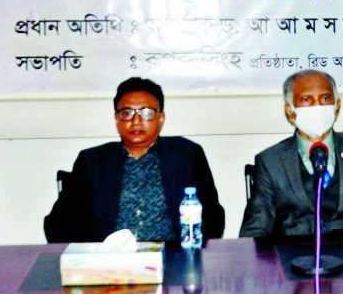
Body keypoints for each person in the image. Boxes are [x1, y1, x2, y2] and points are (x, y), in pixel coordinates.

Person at [44, 77, 224, 243]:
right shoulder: (92, 161)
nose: (136, 121)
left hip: (171, 259)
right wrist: (95, 256)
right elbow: (58, 224)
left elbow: (213, 217)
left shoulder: (187, 155)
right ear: (116, 119)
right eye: (127, 113)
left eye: (146, 113)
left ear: (161, 118)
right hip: (109, 264)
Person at [239, 70, 343, 238]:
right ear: (290, 111)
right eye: (306, 99)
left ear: (337, 106)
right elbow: (255, 231)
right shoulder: (270, 161)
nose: (317, 106)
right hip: (293, 257)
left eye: (325, 98)